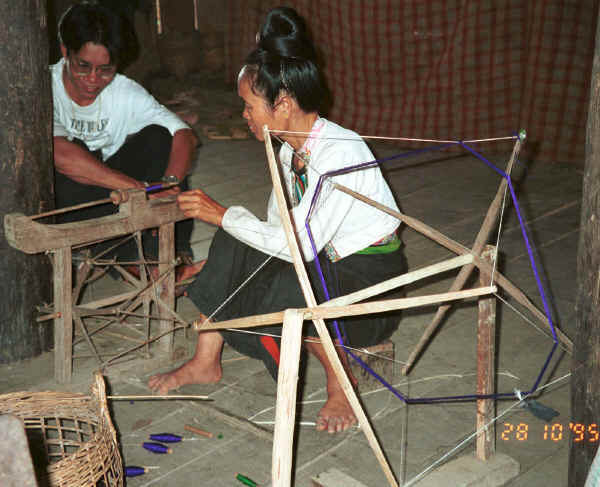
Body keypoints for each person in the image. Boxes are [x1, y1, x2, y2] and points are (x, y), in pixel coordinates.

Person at [148, 6, 407, 433]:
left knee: (289, 283)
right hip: (323, 264)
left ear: (282, 104)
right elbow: (271, 232)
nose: (245, 116)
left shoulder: (341, 151)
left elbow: (299, 246)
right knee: (233, 243)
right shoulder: (289, 152)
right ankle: (204, 361)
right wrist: (215, 262)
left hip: (367, 284)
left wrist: (221, 213)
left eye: (250, 107)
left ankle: (340, 386)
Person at [51, 1, 198, 264]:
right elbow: (60, 155)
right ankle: (129, 255)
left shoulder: (124, 91)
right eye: (83, 66)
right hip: (70, 202)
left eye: (105, 70)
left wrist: (168, 185)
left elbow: (184, 134)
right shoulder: (44, 88)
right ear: (65, 51)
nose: (93, 79)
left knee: (159, 137)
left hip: (115, 197)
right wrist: (140, 189)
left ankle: (166, 255)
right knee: (74, 156)